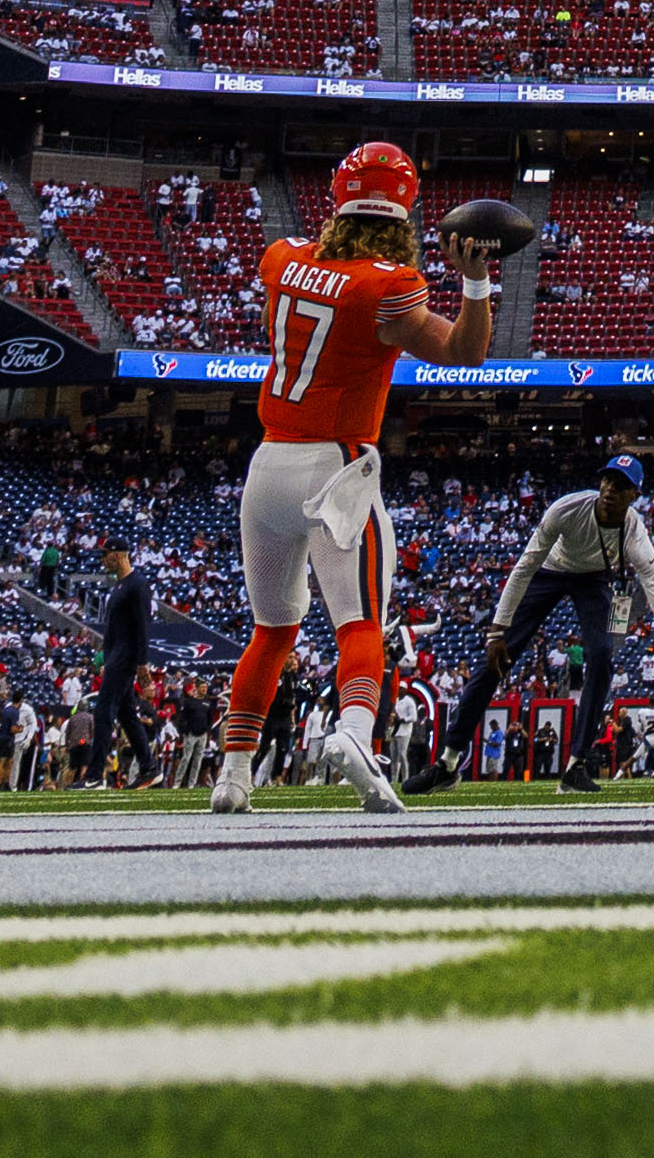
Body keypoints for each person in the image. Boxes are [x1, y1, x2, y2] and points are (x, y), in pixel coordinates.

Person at [215, 142, 503, 817]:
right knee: (360, 619)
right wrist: (477, 281)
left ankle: (232, 774)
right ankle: (355, 733)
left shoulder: (283, 257)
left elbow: (306, 299)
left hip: (267, 465)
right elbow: (463, 352)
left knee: (272, 630)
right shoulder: (389, 284)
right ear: (403, 210)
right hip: (336, 464)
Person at [439, 451, 654, 793]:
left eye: (621, 486)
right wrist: (497, 630)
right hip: (550, 570)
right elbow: (524, 567)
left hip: (593, 580)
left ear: (634, 495)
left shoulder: (635, 536)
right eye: (608, 480)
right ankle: (447, 761)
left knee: (602, 655)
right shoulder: (567, 508)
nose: (610, 489)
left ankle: (576, 765)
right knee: (498, 657)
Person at [94, 547, 158, 786]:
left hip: (126, 656)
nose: (103, 560)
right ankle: (149, 767)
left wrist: (142, 662)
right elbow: (113, 630)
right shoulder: (120, 586)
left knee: (103, 712)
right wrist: (105, 659)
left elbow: (143, 626)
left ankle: (93, 776)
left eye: (105, 555)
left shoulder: (137, 584)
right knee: (127, 714)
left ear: (116, 555)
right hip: (115, 657)